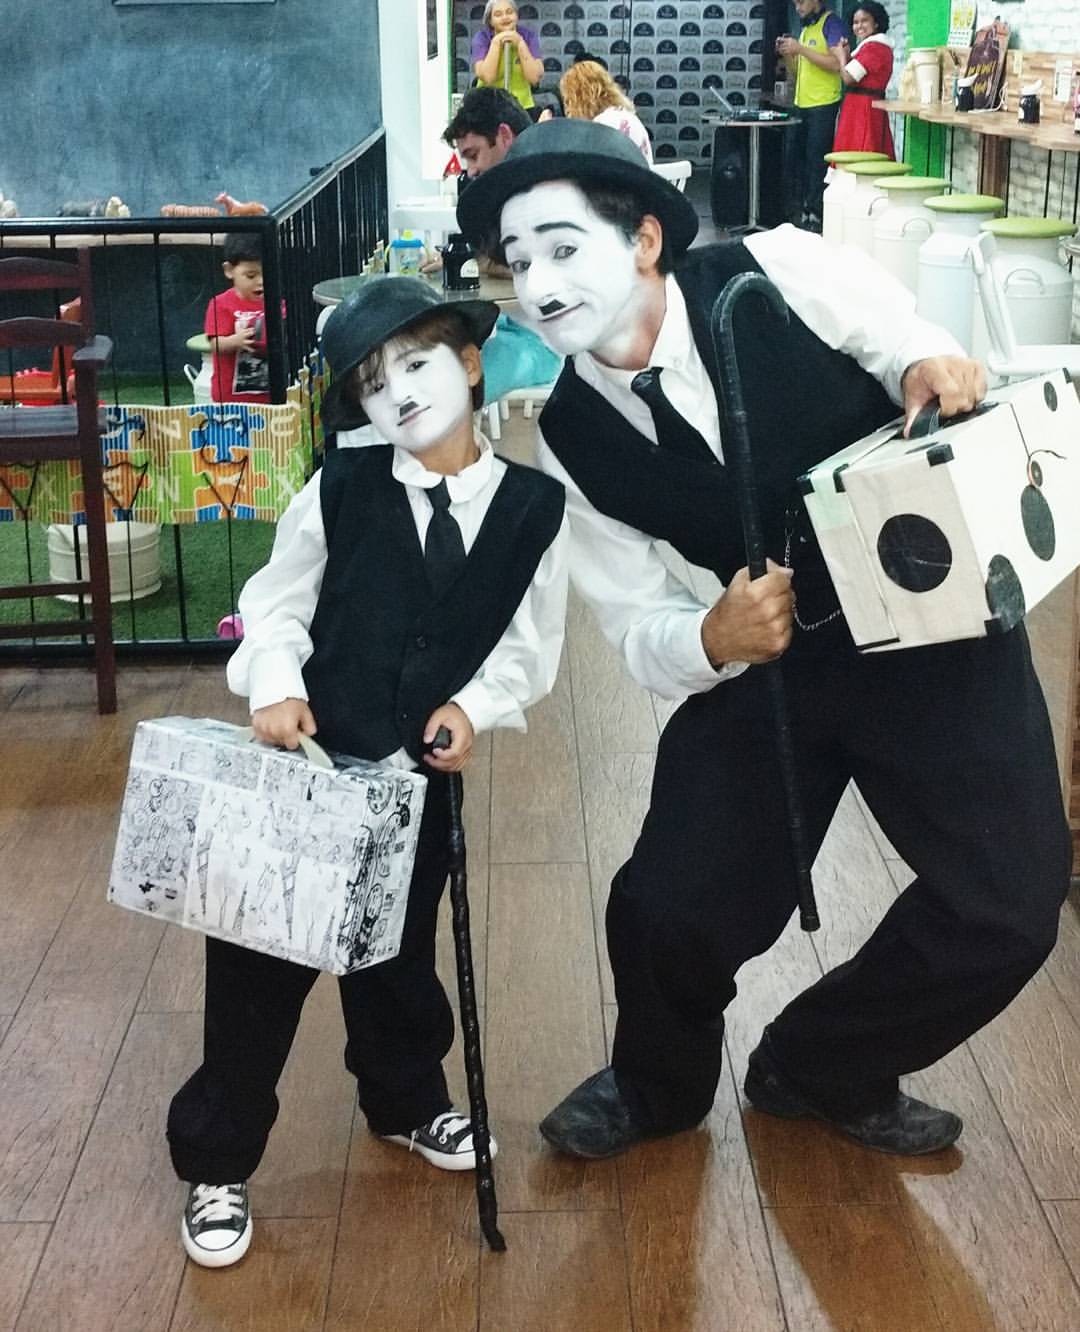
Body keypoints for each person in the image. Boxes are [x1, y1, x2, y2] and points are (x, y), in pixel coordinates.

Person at [457, 119, 1070, 1165]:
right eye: (520, 262)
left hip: (930, 628)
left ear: (644, 240)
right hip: (772, 663)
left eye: (563, 247)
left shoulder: (771, 272)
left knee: (1009, 904)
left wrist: (930, 362)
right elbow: (634, 623)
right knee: (667, 907)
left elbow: (898, 334)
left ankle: (821, 1062)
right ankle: (655, 1086)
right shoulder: (566, 437)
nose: (542, 286)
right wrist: (712, 634)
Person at [167, 277, 569, 1268]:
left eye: (418, 364)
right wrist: (273, 682)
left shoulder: (532, 509)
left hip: (414, 783)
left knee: (395, 952)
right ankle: (217, 1158)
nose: (400, 393)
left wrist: (473, 708)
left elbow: (526, 646)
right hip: (305, 769)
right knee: (260, 969)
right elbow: (277, 602)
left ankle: (405, 1101)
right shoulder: (341, 488)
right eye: (374, 384)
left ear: (470, 365)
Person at [426, 87, 562, 402]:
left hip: (543, 342)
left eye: (473, 154)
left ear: (504, 136)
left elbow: (535, 263)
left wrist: (476, 261)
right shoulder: (513, 190)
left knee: (449, 393)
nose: (470, 170)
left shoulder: (547, 190)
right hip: (506, 328)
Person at [777, 0, 849, 229]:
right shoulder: (806, 29)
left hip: (824, 103)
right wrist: (788, 54)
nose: (798, 7)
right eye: (795, 3)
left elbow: (836, 64)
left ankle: (817, 214)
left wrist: (800, 49)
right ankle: (800, 211)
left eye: (801, 2)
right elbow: (798, 70)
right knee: (798, 161)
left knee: (817, 162)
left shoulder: (831, 23)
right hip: (802, 103)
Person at [204, 233, 271, 403]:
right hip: (230, 398)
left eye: (268, 272)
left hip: (271, 395)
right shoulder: (221, 304)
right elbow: (214, 343)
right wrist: (235, 341)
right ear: (229, 270)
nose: (261, 281)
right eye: (251, 275)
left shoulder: (277, 302)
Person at [831, 2, 896, 157]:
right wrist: (846, 55)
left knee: (861, 152)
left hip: (864, 109)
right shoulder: (872, 47)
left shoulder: (874, 47)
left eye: (864, 20)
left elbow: (848, 78)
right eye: (855, 22)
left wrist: (841, 56)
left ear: (876, 23)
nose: (859, 26)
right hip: (862, 106)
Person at [560, 61, 654, 164]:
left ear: (581, 98)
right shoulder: (625, 116)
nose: (567, 110)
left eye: (568, 100)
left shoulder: (601, 127)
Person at [471, 1, 543, 116]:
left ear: (516, 15)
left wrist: (520, 43)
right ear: (490, 20)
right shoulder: (482, 38)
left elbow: (534, 78)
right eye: (498, 14)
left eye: (509, 12)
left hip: (522, 107)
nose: (505, 17)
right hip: (487, 107)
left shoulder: (528, 36)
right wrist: (496, 42)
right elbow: (488, 78)